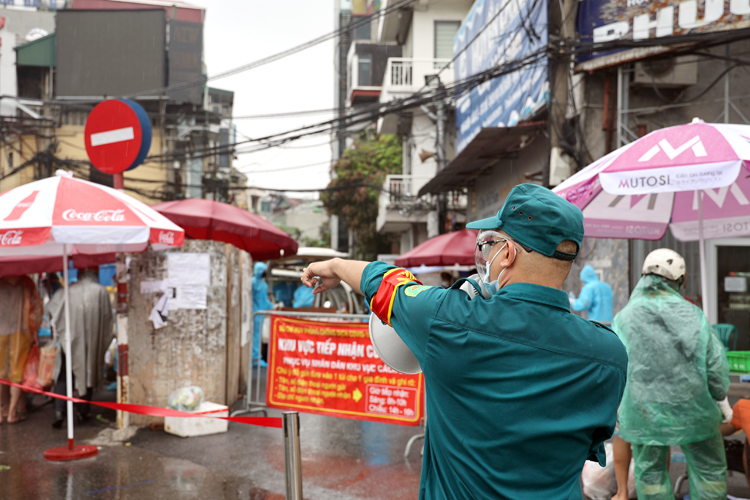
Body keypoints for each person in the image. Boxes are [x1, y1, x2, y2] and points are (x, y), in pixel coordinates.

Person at [301, 184, 628, 499]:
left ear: (508, 253)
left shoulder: (448, 319)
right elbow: (589, 443)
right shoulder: (610, 355)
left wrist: (336, 266)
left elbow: (387, 282)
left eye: (489, 245)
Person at [612, 248, 730, 500]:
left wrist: (618, 407)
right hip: (695, 408)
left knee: (651, 475)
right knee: (709, 471)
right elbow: (714, 364)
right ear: (681, 280)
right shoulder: (693, 314)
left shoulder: (624, 317)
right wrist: (721, 398)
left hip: (644, 411)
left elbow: (615, 366)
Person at [47, 267, 113, 428]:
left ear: (80, 274)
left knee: (64, 375)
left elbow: (50, 309)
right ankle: (83, 411)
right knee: (88, 372)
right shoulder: (101, 291)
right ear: (95, 275)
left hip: (68, 341)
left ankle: (59, 410)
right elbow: (108, 320)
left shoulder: (66, 291)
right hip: (92, 341)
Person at [0, 275, 43, 424]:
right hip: (22, 332)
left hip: (0, 331)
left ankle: (2, 410)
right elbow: (36, 307)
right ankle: (12, 413)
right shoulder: (26, 282)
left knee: (1, 373)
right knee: (16, 373)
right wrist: (34, 330)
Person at [252, 262, 273, 367]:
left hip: (260, 314)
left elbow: (264, 300)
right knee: (255, 337)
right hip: (255, 314)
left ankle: (256, 357)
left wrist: (272, 306)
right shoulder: (252, 283)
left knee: (257, 336)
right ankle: (255, 358)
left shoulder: (264, 285)